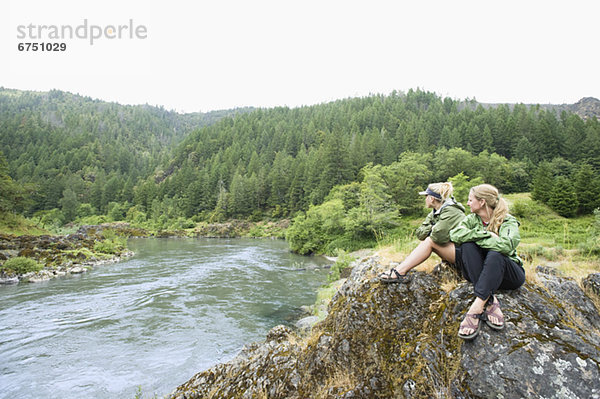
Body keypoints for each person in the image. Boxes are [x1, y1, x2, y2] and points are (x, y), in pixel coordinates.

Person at [449, 184, 525, 340]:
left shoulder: (507, 221)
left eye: (470, 200)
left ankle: (476, 308)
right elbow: (455, 235)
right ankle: (490, 299)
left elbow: (507, 245)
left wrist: (477, 239)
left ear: (482, 202)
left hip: (508, 275)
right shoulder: (472, 219)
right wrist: (486, 235)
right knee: (467, 245)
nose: (468, 203)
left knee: (496, 254)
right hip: (482, 274)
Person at [378, 182, 465, 283]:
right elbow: (419, 233)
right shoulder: (435, 212)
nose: (425, 199)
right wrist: (433, 227)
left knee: (429, 241)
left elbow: (438, 237)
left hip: (465, 254)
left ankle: (399, 272)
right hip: (454, 250)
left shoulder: (452, 211)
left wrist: (431, 229)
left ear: (432, 198)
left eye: (426, 196)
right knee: (427, 240)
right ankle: (400, 269)